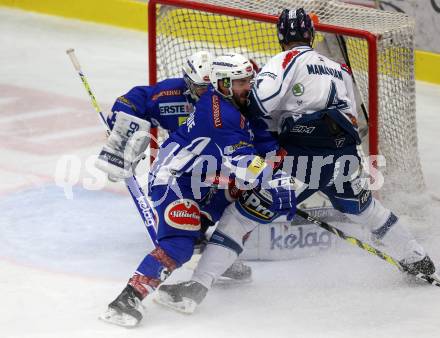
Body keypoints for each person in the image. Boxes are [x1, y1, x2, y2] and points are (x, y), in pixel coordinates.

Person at [155, 7, 437, 313]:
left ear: (280, 36)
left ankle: (195, 290)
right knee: (367, 208)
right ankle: (419, 261)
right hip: (343, 157)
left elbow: (260, 105)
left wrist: (242, 123)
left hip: (297, 158)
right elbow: (354, 119)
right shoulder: (338, 68)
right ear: (311, 35)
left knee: (238, 219)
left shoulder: (285, 61)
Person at [98, 52, 297, 327]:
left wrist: (278, 168)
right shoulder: (219, 117)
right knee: (179, 246)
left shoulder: (239, 103)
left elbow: (263, 141)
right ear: (224, 84)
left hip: (205, 178)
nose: (248, 87)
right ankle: (126, 300)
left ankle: (199, 282)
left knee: (254, 204)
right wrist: (276, 181)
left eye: (250, 80)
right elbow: (247, 168)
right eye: (241, 82)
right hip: (174, 182)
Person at [94, 50, 253, 284]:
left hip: (218, 163)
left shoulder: (229, 101)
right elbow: (133, 100)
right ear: (188, 83)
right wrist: (121, 124)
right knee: (186, 210)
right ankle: (190, 240)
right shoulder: (169, 94)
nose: (206, 93)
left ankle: (212, 252)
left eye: (210, 87)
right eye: (200, 88)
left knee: (237, 193)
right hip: (183, 169)